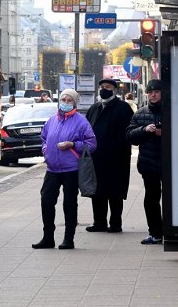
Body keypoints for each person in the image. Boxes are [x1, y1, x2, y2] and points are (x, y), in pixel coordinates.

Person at [33, 88, 97, 250]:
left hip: (71, 169)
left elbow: (92, 144)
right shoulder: (51, 120)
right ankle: (48, 237)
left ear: (75, 103)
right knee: (46, 201)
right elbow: (43, 139)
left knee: (69, 203)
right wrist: (46, 150)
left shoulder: (81, 121)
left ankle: (69, 239)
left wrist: (73, 145)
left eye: (70, 101)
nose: (66, 103)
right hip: (52, 169)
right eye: (64, 100)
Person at [85, 77, 134, 233]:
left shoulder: (123, 108)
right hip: (96, 158)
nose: (104, 89)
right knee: (97, 191)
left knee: (115, 191)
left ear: (114, 90)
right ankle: (99, 222)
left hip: (115, 158)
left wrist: (115, 148)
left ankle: (115, 223)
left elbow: (126, 133)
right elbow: (87, 130)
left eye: (107, 87)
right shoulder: (94, 108)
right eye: (102, 87)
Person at [126, 78, 165, 245]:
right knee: (151, 199)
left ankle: (171, 231)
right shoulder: (140, 113)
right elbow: (129, 136)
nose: (153, 95)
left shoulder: (171, 110)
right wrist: (144, 130)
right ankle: (155, 232)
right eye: (150, 92)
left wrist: (163, 133)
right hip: (148, 165)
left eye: (156, 92)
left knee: (171, 199)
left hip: (170, 165)